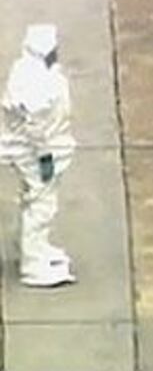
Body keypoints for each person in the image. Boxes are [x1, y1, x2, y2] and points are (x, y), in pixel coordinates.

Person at [0, 25, 75, 288]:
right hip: (34, 152)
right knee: (42, 205)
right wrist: (44, 157)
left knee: (34, 198)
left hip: (37, 148)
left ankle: (35, 248)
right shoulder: (35, 82)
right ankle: (33, 263)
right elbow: (34, 126)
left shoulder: (28, 71)